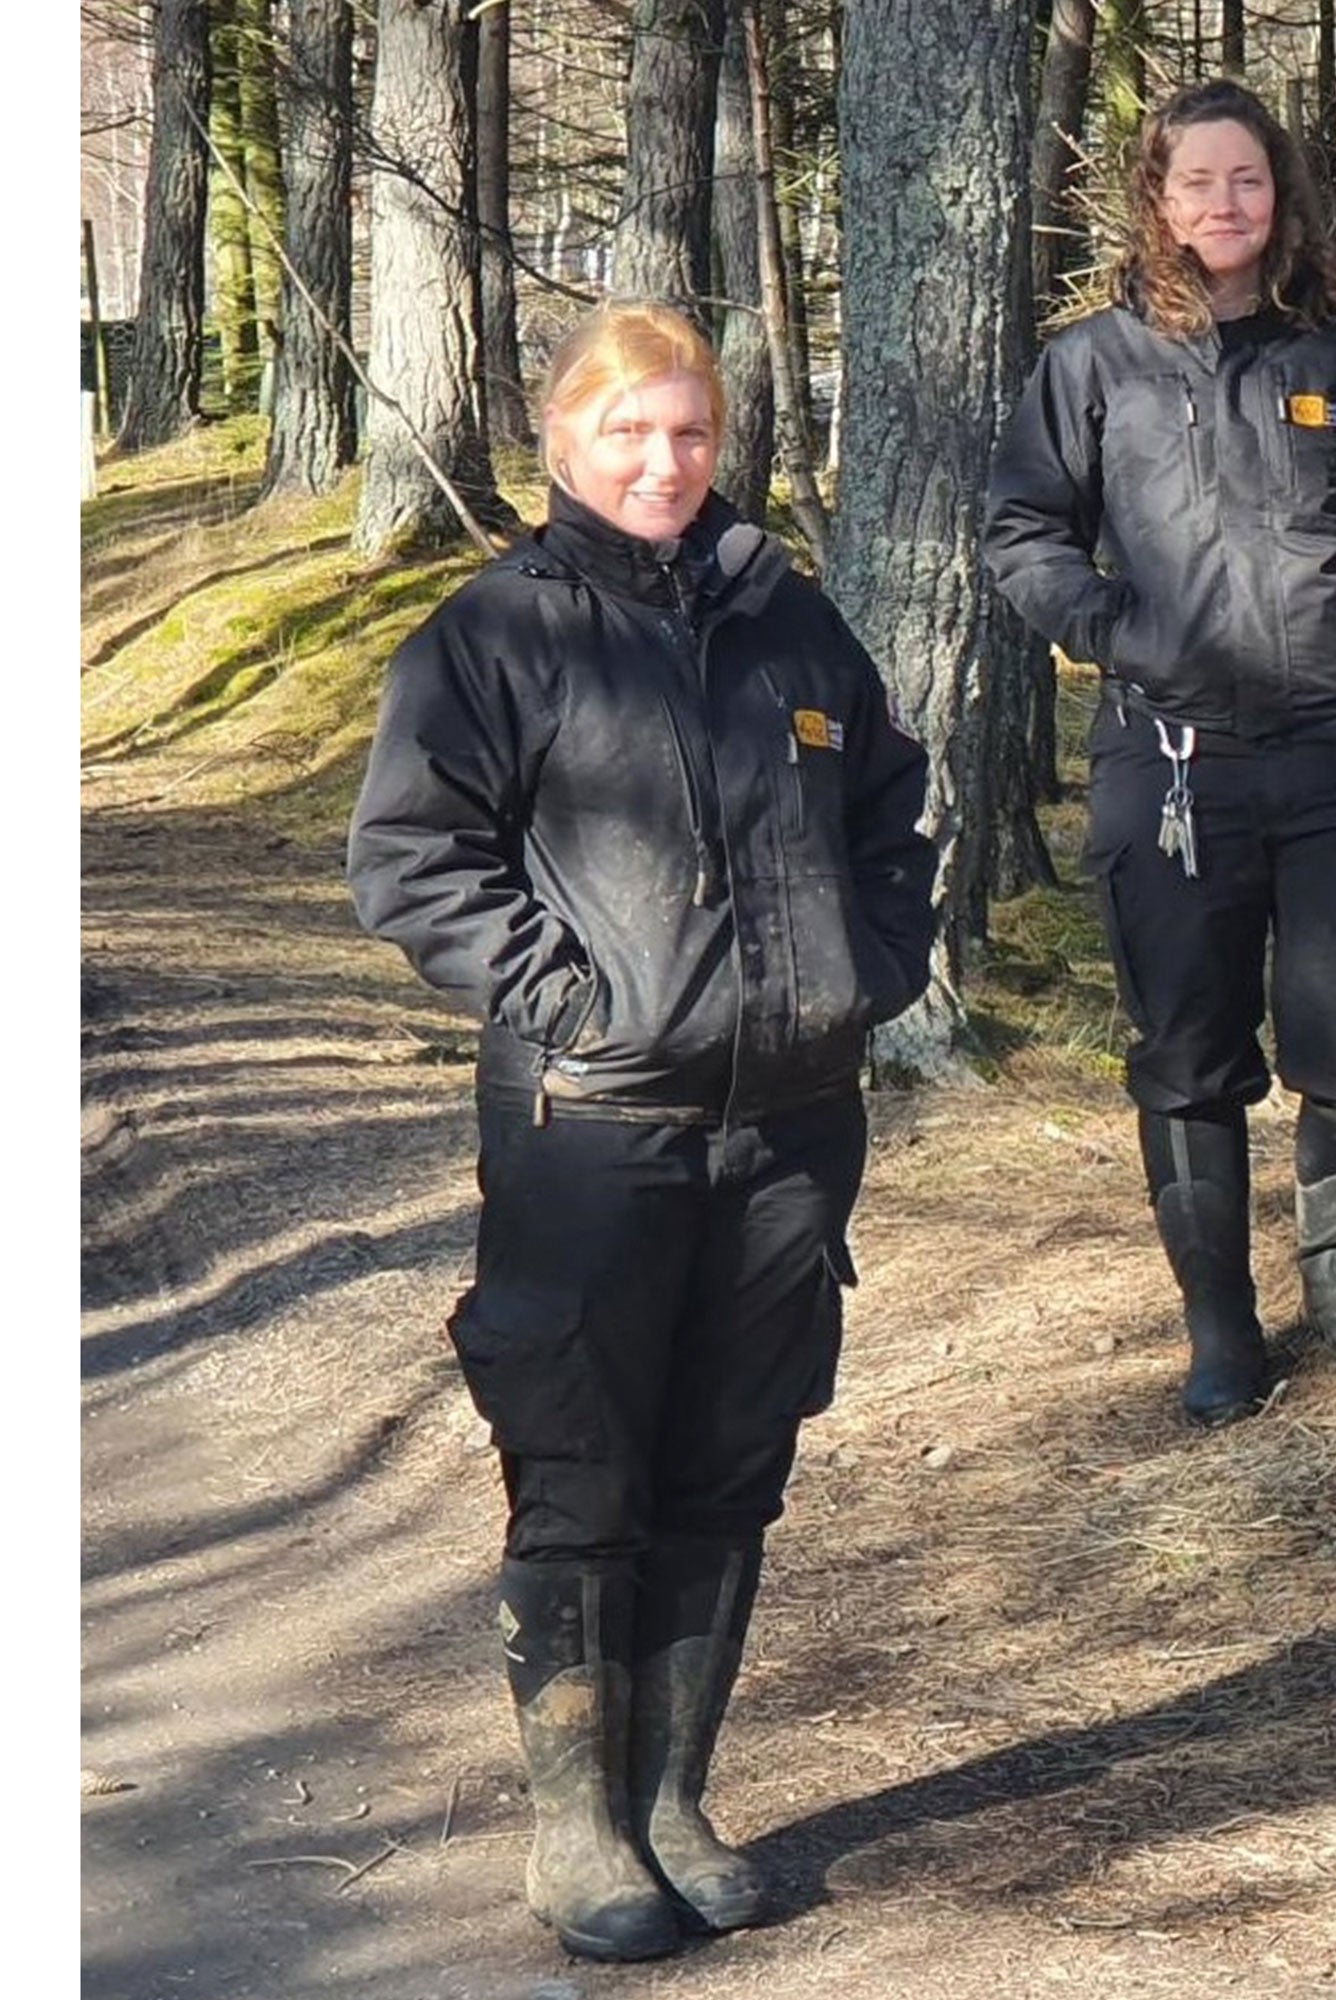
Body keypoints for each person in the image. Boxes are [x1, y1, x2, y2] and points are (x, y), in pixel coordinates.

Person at [347, 303, 935, 1958]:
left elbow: (897, 808)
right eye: (629, 433)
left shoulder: (792, 625)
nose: (663, 462)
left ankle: (675, 1795)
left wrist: (867, 971)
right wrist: (577, 1001)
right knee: (583, 1468)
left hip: (791, 1128)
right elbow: (411, 863)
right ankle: (576, 1827)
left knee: (733, 1466)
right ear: (562, 443)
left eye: (687, 434)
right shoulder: (493, 637)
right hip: (591, 1127)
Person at [984, 77, 1336, 1429]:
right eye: (1197, 181)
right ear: (1155, 197)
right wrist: (1114, 629)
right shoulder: (1091, 366)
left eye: (1248, 180)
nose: (1225, 203)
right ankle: (1221, 1324)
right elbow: (1023, 533)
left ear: (1283, 198)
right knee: (1189, 1044)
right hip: (1172, 764)